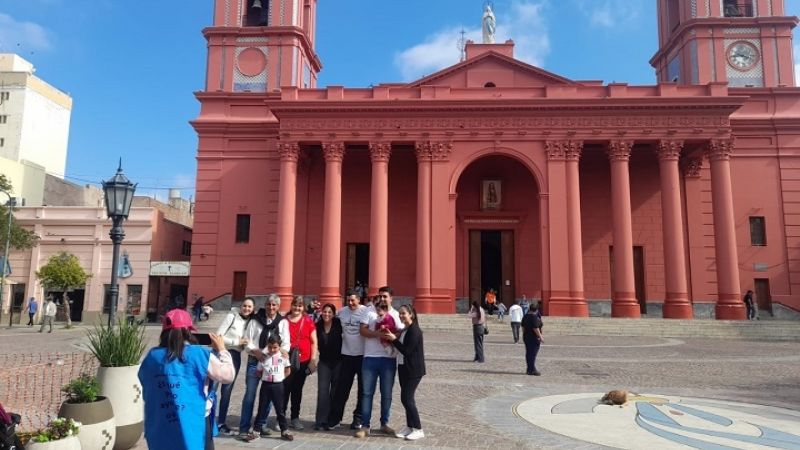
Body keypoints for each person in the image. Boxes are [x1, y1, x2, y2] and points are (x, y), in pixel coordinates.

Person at [138, 309, 235, 450]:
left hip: (162, 418)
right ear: (187, 331)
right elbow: (228, 375)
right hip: (195, 419)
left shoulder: (153, 356)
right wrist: (221, 349)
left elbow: (144, 379)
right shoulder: (199, 354)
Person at [354, 286, 404, 438]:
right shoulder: (368, 311)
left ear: (391, 298)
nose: (382, 299)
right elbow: (362, 330)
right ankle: (365, 425)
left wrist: (390, 335)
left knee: (387, 394)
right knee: (367, 393)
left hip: (388, 359)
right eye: (380, 296)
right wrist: (377, 334)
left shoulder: (396, 314)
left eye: (385, 296)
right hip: (370, 358)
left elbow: (401, 330)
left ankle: (384, 423)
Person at [239, 294, 290, 439]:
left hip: (273, 364)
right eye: (269, 304)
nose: (271, 307)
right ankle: (244, 427)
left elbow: (286, 342)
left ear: (278, 307)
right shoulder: (255, 320)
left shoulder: (282, 322)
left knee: (268, 396)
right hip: (255, 361)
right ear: (265, 305)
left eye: (274, 305)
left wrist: (280, 352)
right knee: (250, 394)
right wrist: (256, 351)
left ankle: (261, 426)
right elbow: (246, 340)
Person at [383, 305, 426, 441]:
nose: (401, 316)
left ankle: (418, 429)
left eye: (404, 314)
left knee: (406, 399)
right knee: (407, 399)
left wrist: (393, 339)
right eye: (400, 314)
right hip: (403, 368)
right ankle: (409, 426)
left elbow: (407, 351)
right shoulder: (405, 329)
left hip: (413, 370)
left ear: (411, 315)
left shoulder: (415, 330)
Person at [327, 290, 366, 430]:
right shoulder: (341, 312)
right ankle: (335, 418)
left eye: (353, 300)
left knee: (363, 390)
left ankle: (358, 418)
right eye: (348, 300)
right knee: (342, 389)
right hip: (346, 356)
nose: (350, 303)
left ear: (359, 300)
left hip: (362, 356)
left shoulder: (366, 312)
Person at [215, 298, 255, 435]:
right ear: (240, 305)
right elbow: (218, 335)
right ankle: (206, 420)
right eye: (245, 305)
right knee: (212, 388)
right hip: (220, 353)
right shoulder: (232, 316)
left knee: (227, 391)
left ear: (253, 309)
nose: (247, 308)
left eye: (250, 307)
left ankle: (221, 422)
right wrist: (236, 341)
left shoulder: (251, 322)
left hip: (235, 357)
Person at [283, 296, 318, 430]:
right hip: (286, 361)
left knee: (297, 390)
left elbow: (314, 342)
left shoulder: (308, 321)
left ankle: (294, 417)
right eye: (295, 305)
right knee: (285, 389)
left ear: (303, 308)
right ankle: (282, 417)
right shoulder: (284, 321)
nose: (297, 308)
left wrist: (313, 360)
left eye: (300, 306)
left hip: (303, 361)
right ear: (291, 306)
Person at [252, 335, 294, 441]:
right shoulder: (263, 357)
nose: (272, 350)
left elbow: (288, 371)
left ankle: (284, 430)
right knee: (262, 408)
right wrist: (264, 378)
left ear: (279, 347)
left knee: (280, 409)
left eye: (275, 347)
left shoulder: (283, 357)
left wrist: (280, 378)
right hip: (266, 385)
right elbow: (258, 371)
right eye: (270, 347)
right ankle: (256, 431)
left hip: (278, 386)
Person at [314, 303, 342, 430]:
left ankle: (332, 419)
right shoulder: (317, 326)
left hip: (338, 362)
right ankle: (320, 420)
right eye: (324, 312)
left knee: (336, 392)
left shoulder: (339, 324)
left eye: (329, 312)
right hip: (324, 362)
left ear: (334, 314)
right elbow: (312, 342)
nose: (326, 314)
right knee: (323, 392)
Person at [521, 302, 544, 376]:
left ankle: (529, 369)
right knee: (532, 354)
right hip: (533, 337)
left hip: (526, 336)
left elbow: (523, 328)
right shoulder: (534, 317)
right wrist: (540, 337)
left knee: (528, 353)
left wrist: (524, 335)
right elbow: (535, 328)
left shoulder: (525, 316)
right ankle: (532, 369)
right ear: (537, 310)